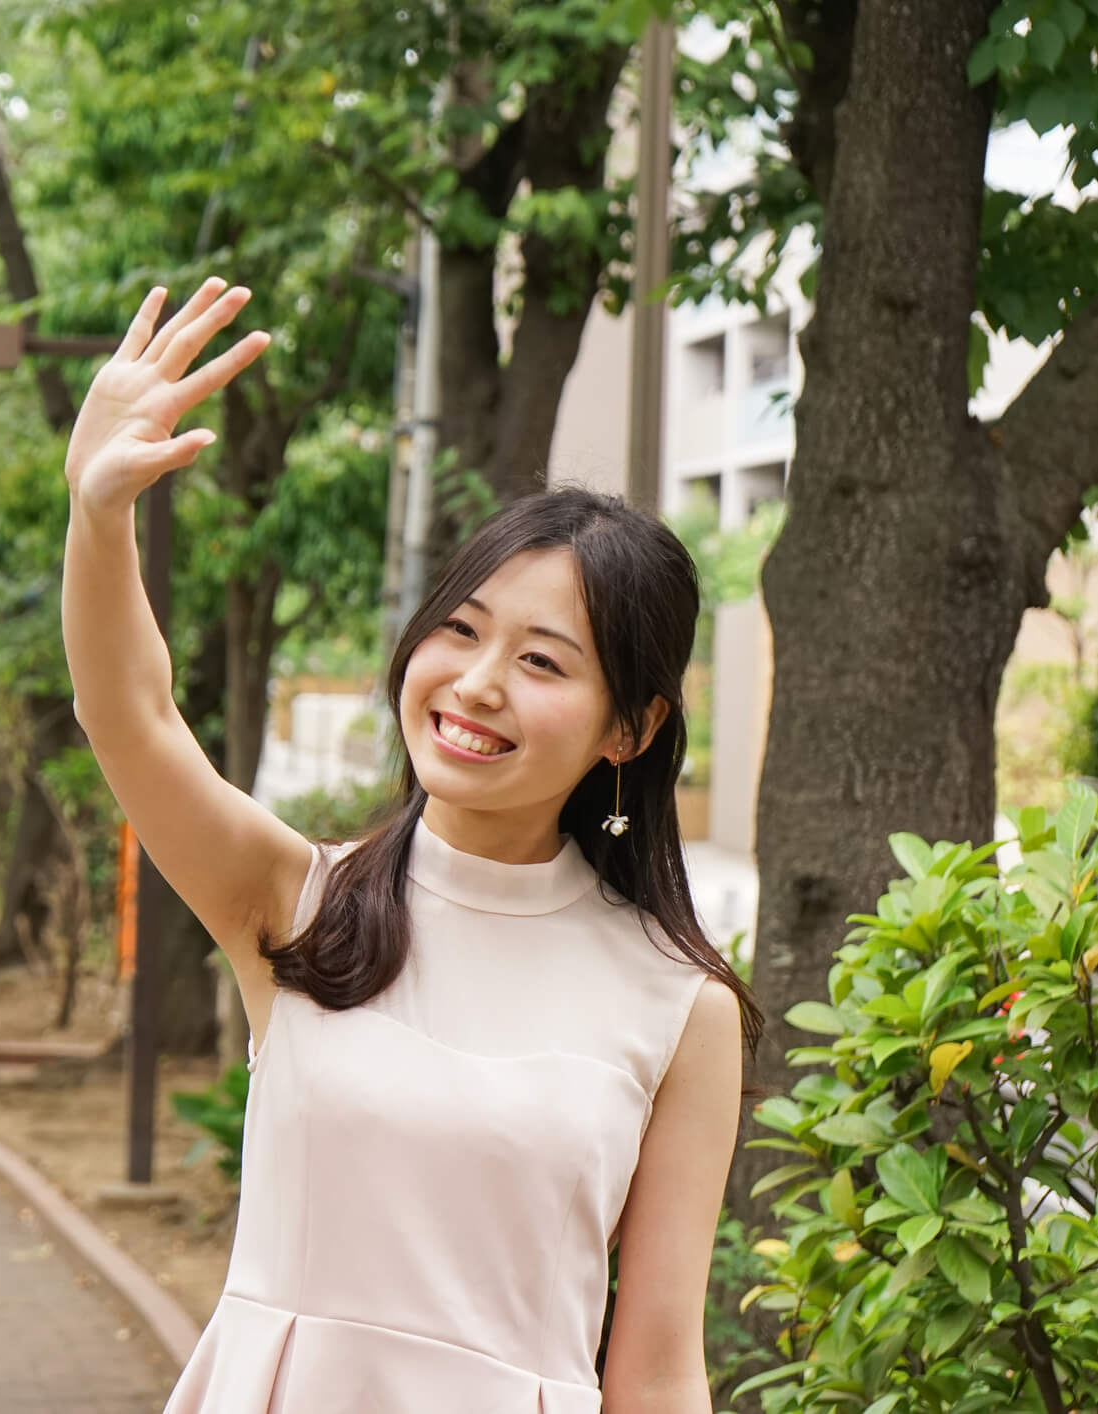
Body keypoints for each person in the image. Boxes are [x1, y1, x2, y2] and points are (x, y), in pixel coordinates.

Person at [62, 278, 758, 1412]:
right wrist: (97, 514)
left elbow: (660, 1361)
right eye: (462, 629)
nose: (476, 685)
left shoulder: (682, 1006)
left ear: (627, 728)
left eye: (543, 662)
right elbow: (130, 716)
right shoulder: (295, 898)